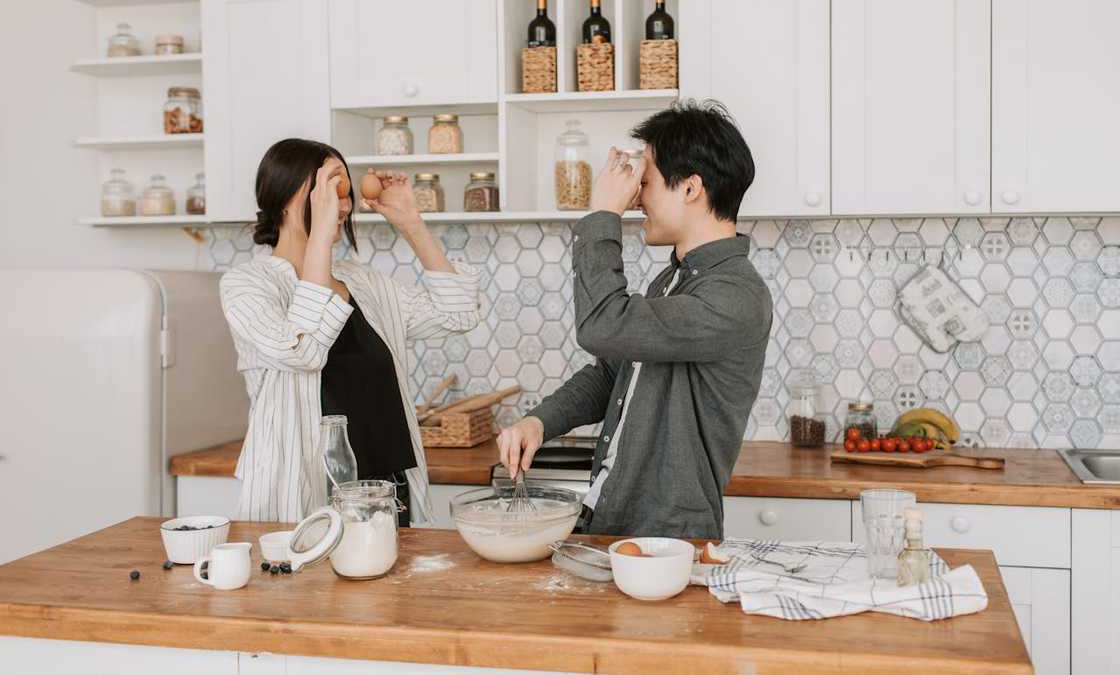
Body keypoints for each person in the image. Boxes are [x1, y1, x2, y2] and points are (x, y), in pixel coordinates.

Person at [497, 100, 773, 540]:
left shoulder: (735, 295)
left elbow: (603, 326)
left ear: (690, 188)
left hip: (667, 538)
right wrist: (540, 421)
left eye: (646, 182)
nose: (637, 197)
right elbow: (613, 370)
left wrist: (603, 214)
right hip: (613, 519)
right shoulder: (676, 277)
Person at [220, 138, 480, 523]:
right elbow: (304, 351)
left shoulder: (362, 281)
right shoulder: (247, 285)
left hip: (386, 494)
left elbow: (457, 315)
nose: (344, 204)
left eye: (347, 192)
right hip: (303, 497)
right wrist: (320, 240)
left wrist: (412, 223)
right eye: (333, 189)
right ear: (290, 196)